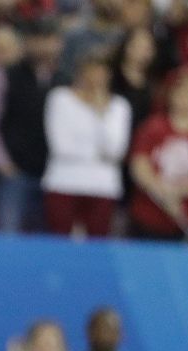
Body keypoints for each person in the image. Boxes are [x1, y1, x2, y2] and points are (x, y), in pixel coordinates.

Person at [0, 16, 63, 233]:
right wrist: (2, 163)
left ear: (59, 42)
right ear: (26, 42)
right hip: (14, 175)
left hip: (54, 176)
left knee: (47, 245)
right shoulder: (5, 74)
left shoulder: (66, 79)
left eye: (48, 38)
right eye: (37, 38)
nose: (43, 45)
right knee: (8, 242)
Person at [42, 55, 132, 238]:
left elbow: (116, 151)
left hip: (103, 187)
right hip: (64, 183)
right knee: (59, 244)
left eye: (101, 73)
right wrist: (98, 155)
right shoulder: (60, 98)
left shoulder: (119, 107)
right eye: (91, 72)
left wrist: (101, 113)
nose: (95, 78)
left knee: (96, 246)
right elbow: (61, 147)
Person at [129, 69, 188, 243]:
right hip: (150, 217)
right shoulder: (152, 128)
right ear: (170, 96)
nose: (185, 99)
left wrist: (179, 191)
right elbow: (139, 165)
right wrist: (161, 192)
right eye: (180, 93)